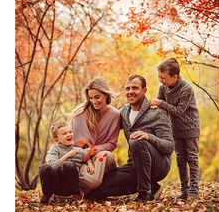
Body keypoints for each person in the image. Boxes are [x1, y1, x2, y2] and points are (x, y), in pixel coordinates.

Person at [87, 74, 174, 202]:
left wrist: (148, 136)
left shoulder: (157, 112)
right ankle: (153, 187)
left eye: (135, 88)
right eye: (127, 89)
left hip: (159, 165)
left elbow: (169, 146)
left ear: (144, 90)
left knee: (137, 141)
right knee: (97, 190)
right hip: (135, 165)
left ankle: (145, 193)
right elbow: (106, 127)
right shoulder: (123, 113)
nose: (130, 92)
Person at [150, 57, 200, 200]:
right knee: (180, 159)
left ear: (175, 76)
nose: (161, 80)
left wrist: (160, 103)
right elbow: (159, 106)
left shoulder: (186, 89)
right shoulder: (163, 88)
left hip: (190, 128)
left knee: (192, 158)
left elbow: (178, 111)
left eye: (163, 77)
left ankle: (194, 191)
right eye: (159, 77)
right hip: (175, 129)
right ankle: (184, 191)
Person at [71, 77, 121, 194]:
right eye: (91, 98)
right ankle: (83, 186)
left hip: (101, 157)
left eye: (97, 97)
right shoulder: (80, 114)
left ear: (106, 95)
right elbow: (73, 144)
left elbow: (112, 143)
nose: (94, 101)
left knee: (107, 156)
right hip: (82, 157)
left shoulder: (115, 115)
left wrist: (96, 149)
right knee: (92, 181)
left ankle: (89, 186)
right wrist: (86, 156)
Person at [39, 121, 95, 204]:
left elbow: (87, 158)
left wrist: (90, 163)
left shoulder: (78, 150)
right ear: (57, 140)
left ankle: (77, 195)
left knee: (67, 165)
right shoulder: (54, 149)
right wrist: (66, 156)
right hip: (56, 184)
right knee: (44, 167)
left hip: (70, 186)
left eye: (70, 132)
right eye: (64, 133)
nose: (69, 134)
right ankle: (46, 195)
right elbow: (52, 167)